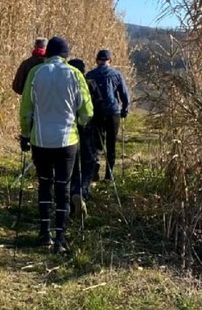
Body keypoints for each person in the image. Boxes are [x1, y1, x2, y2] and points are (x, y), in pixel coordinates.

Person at [19, 36, 93, 253]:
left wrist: (25, 133)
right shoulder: (75, 74)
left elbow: (26, 109)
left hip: (40, 140)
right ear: (65, 55)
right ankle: (60, 237)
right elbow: (87, 111)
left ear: (48, 53)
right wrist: (79, 121)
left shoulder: (36, 73)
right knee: (63, 186)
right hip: (67, 140)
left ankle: (44, 232)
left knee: (44, 184)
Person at [86, 49, 130, 181]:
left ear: (97, 60)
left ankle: (94, 173)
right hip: (113, 112)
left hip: (96, 113)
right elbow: (124, 94)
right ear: (110, 61)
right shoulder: (116, 74)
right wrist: (125, 110)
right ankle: (109, 176)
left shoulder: (90, 75)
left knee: (97, 144)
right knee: (111, 144)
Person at [66, 58, 99, 216]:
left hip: (69, 130)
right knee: (90, 161)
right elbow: (96, 107)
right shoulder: (89, 84)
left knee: (71, 164)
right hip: (86, 128)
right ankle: (83, 190)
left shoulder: (64, 85)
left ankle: (72, 192)